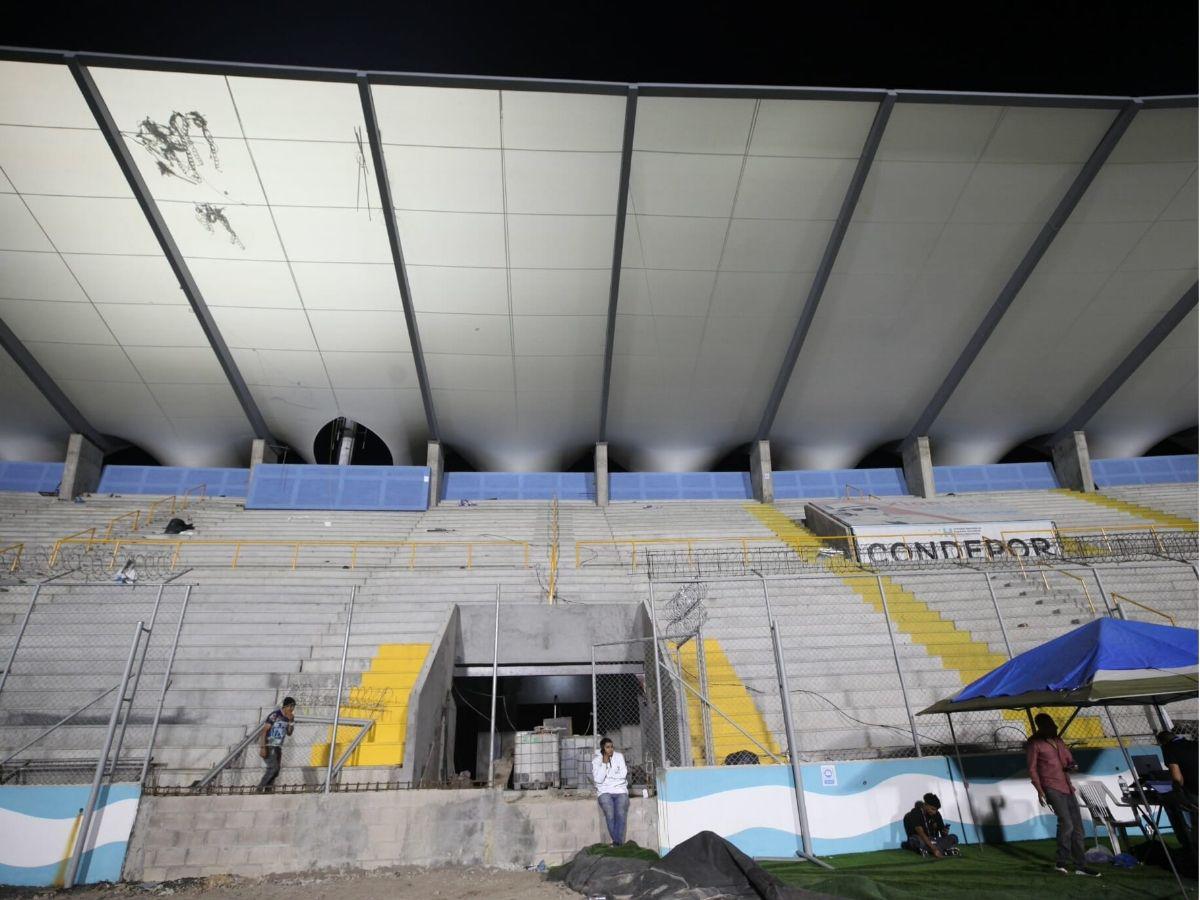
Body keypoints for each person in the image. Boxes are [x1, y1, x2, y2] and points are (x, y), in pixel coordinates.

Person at [1026, 712, 1100, 877]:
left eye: (1054, 724)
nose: (1055, 727)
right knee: (1067, 823)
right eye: (1051, 725)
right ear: (1042, 726)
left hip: (1067, 786)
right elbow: (1032, 769)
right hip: (1051, 787)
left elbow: (1069, 759)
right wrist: (1040, 791)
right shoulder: (1034, 744)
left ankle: (1081, 865)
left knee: (1078, 828)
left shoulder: (1059, 741)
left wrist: (1072, 765)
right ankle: (1061, 862)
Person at [1156, 730, 1198, 861]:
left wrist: (1176, 789)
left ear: (1162, 743)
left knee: (1173, 805)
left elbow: (1177, 777)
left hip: (1194, 789)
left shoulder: (1170, 749)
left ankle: (1190, 848)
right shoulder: (1194, 743)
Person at [592, 737, 629, 846]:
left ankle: (616, 843)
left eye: (612, 747)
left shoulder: (619, 756)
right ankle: (618, 842)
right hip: (604, 792)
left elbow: (623, 775)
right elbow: (598, 779)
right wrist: (604, 763)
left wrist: (608, 776)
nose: (611, 749)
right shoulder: (596, 760)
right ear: (603, 749)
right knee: (610, 814)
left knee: (621, 814)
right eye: (608, 747)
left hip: (620, 790)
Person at [902, 793, 959, 858]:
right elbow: (921, 834)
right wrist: (934, 849)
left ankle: (928, 850)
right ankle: (943, 850)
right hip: (921, 839)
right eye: (932, 809)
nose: (934, 812)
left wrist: (945, 832)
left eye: (936, 810)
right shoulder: (915, 812)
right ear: (925, 805)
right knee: (916, 840)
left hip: (934, 840)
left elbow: (943, 835)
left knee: (954, 837)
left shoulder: (936, 814)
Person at [257, 697, 295, 792]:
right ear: (285, 706)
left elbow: (289, 733)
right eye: (290, 706)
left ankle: (267, 791)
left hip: (278, 746)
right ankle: (259, 789)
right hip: (269, 745)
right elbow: (264, 730)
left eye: (293, 707)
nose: (292, 709)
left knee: (276, 771)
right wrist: (263, 747)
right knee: (273, 768)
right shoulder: (275, 715)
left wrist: (290, 722)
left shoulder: (289, 718)